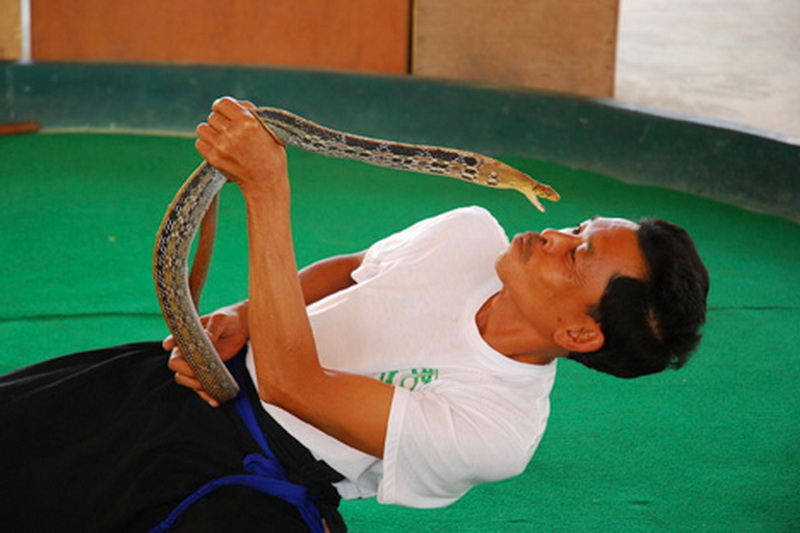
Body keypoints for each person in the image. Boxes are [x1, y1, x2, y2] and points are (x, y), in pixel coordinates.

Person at [0, 98, 709, 532]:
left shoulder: (501, 428)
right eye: (575, 226)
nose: (554, 235)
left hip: (258, 462)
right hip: (192, 378)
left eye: (577, 253)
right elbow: (351, 269)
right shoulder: (469, 230)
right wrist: (246, 313)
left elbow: (291, 386)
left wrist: (267, 191)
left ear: (581, 332)